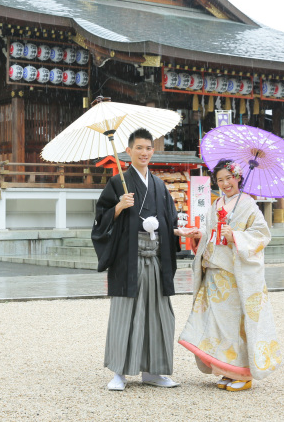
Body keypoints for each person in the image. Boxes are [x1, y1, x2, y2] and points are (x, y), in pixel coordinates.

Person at [91, 127, 194, 391]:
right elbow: (100, 222)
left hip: (156, 258)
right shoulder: (117, 183)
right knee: (126, 313)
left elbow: (169, 220)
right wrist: (118, 207)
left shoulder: (159, 185)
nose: (145, 152)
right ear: (129, 151)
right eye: (139, 148)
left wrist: (177, 230)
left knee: (158, 314)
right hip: (130, 259)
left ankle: (154, 371)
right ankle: (120, 372)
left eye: (149, 148)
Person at [178, 159, 281, 392]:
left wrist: (236, 235)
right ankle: (225, 369)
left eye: (228, 178)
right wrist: (199, 234)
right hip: (214, 271)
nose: (225, 184)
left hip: (234, 275)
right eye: (220, 180)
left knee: (235, 324)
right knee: (217, 324)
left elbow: (262, 235)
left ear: (238, 178)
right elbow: (211, 233)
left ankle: (242, 374)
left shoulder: (248, 205)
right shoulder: (217, 204)